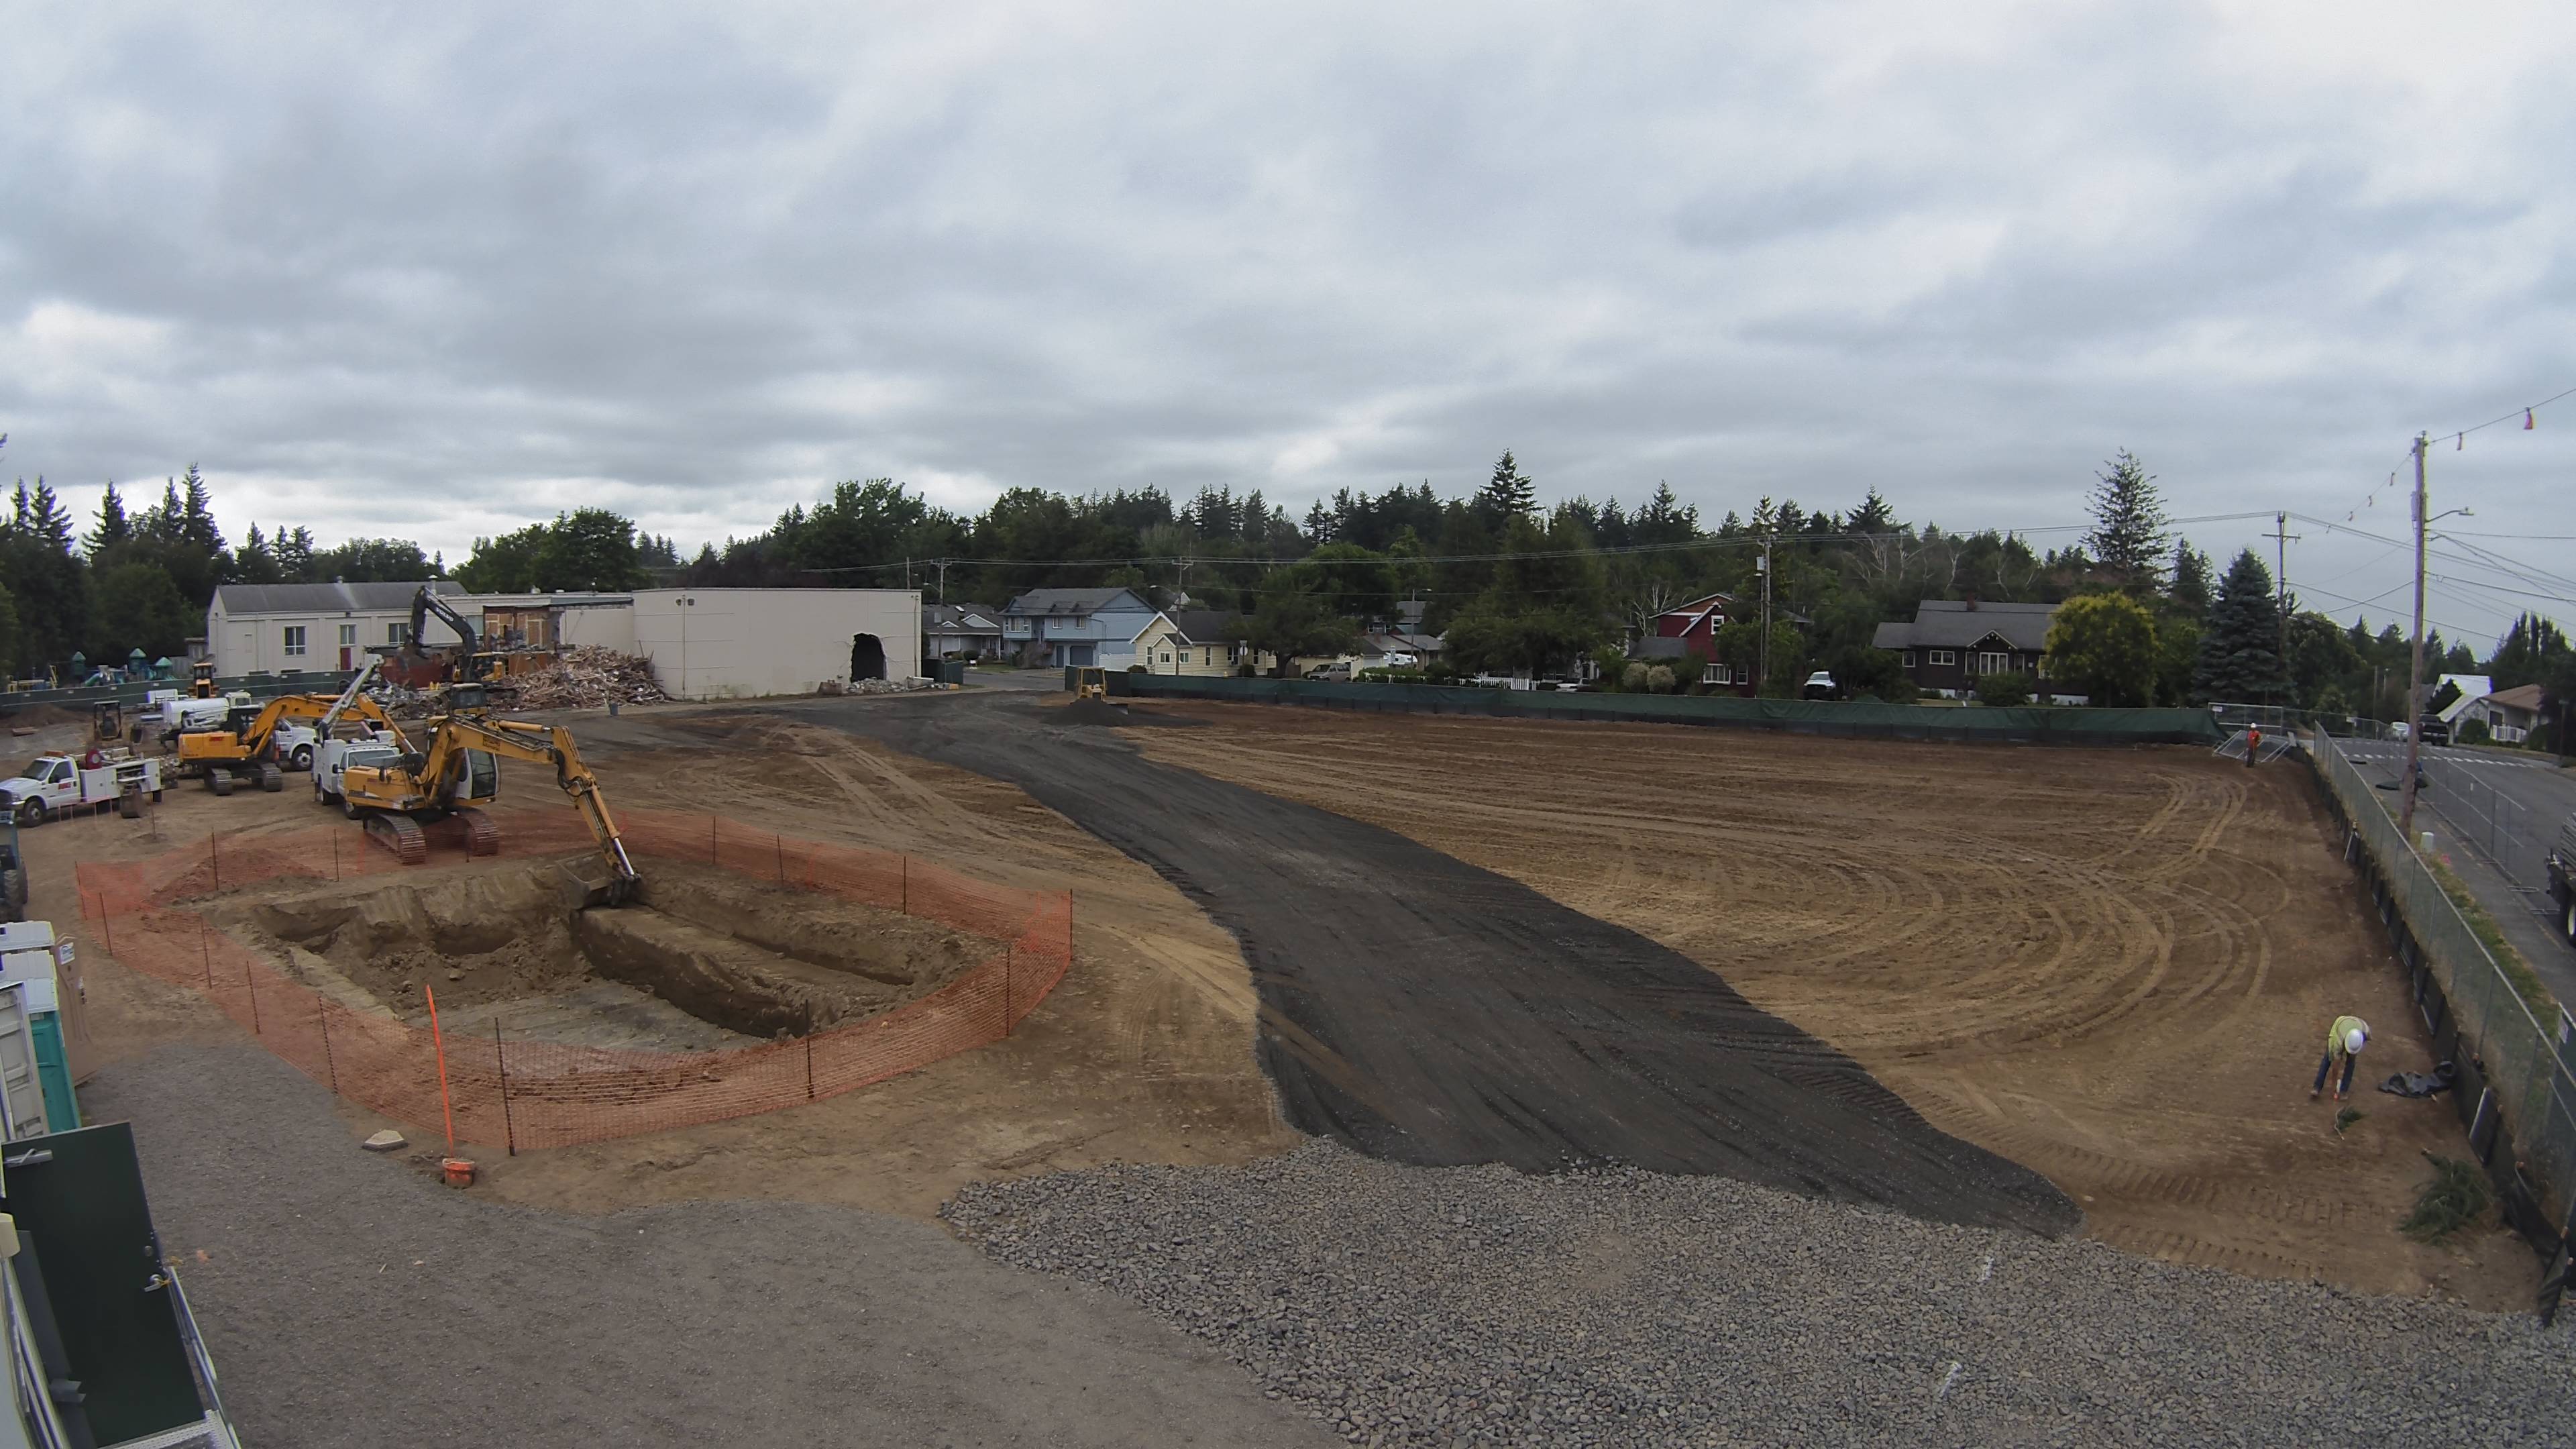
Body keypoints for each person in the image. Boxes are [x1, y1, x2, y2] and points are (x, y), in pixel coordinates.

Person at [2312, 1016, 2369, 1100]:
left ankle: (2343, 1091)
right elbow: (2336, 1067)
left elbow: (2362, 1043)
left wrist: (2354, 1052)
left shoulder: (2365, 1031)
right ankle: (2317, 1087)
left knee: (2351, 1062)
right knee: (2328, 1058)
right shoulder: (2337, 1042)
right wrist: (2333, 1087)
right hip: (2340, 1025)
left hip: (2355, 1026)